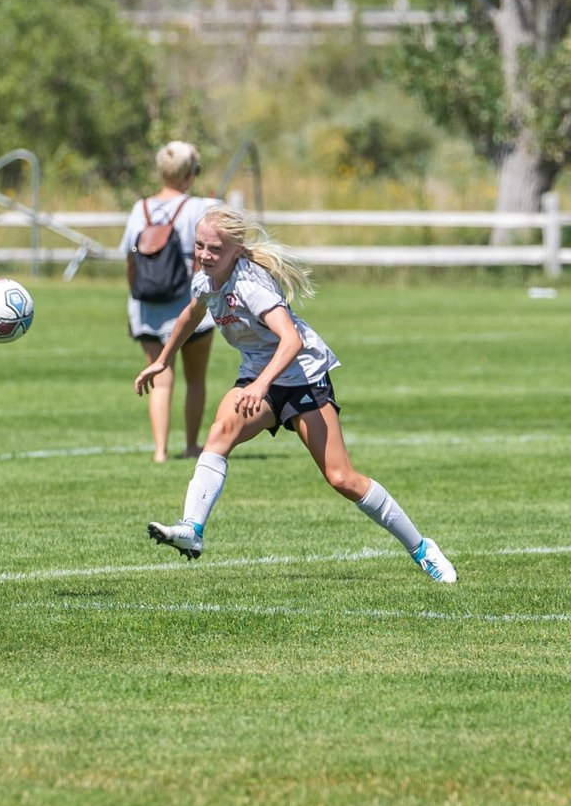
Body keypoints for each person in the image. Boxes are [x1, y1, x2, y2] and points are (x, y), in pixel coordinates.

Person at [134, 205, 457, 583]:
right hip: (261, 374)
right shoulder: (204, 280)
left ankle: (422, 548)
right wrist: (163, 360)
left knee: (342, 478)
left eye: (215, 249)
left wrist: (260, 385)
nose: (204, 255)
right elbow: (191, 314)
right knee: (219, 433)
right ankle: (192, 528)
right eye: (199, 246)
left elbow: (291, 340)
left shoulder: (250, 286)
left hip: (302, 375)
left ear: (236, 250)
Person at [121, 141, 219, 462]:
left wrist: (136, 293)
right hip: (188, 305)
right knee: (195, 379)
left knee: (160, 380)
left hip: (147, 305)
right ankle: (191, 445)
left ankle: (160, 450)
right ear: (190, 174)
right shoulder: (199, 207)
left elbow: (129, 257)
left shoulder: (140, 208)